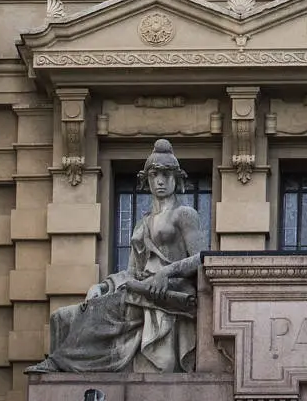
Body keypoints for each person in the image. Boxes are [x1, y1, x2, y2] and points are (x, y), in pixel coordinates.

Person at [33, 140, 203, 374]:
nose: (160, 181)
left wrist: (166, 272)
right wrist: (103, 286)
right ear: (147, 179)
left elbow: (201, 258)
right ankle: (60, 364)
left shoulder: (184, 214)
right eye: (154, 175)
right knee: (66, 316)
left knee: (95, 316)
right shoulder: (143, 223)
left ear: (177, 177)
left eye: (166, 174)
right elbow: (132, 272)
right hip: (141, 291)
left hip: (169, 295)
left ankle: (62, 363)